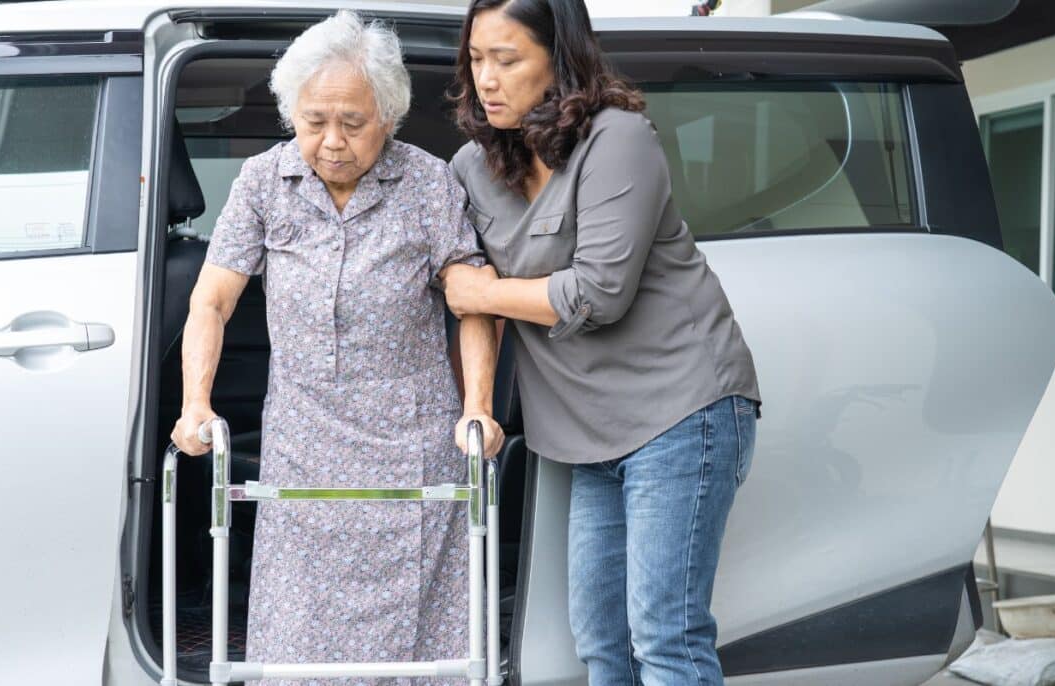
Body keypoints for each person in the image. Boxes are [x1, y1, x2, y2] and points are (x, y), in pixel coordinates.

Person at [170, 10, 503, 684]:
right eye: (314, 120)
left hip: (408, 445)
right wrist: (195, 404)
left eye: (352, 123)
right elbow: (212, 301)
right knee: (298, 646)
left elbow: (474, 304)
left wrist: (477, 408)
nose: (330, 142)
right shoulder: (265, 182)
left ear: (388, 116)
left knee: (415, 653)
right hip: (304, 444)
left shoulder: (427, 184)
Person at [442, 1, 762, 683]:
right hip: (588, 435)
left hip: (681, 410)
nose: (486, 79)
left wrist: (486, 292)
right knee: (598, 644)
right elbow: (461, 284)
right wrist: (478, 402)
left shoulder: (618, 139)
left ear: (558, 60)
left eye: (507, 59)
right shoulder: (471, 167)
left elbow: (598, 293)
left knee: (666, 637)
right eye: (476, 59)